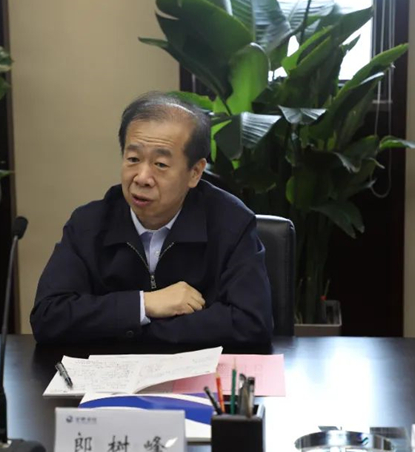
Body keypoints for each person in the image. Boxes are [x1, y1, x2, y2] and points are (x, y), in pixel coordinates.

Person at [30, 92, 273, 344]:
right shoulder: (89, 224)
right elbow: (48, 316)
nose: (142, 178)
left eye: (160, 164)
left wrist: (129, 329)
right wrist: (143, 305)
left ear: (195, 172)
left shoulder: (230, 222)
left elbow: (252, 323)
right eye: (133, 159)